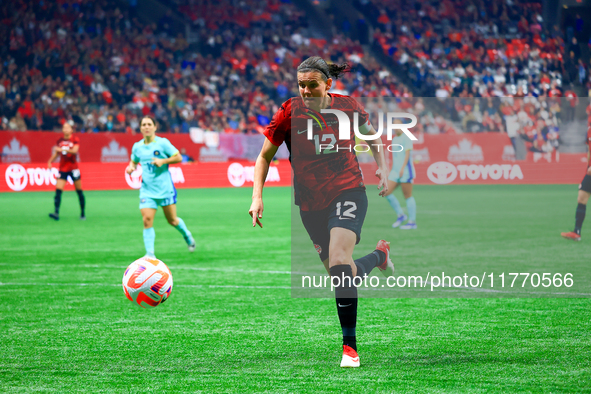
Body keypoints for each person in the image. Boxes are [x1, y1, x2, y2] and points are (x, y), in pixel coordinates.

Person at [249, 56, 395, 368]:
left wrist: (382, 168)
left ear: (328, 84)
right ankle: (378, 257)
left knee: (341, 261)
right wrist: (256, 197)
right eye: (300, 85)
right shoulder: (289, 111)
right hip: (309, 202)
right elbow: (264, 157)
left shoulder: (348, 107)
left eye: (312, 84)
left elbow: (372, 137)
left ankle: (350, 347)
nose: (305, 90)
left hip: (348, 190)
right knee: (342, 274)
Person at [126, 116, 196, 258]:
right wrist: (130, 167)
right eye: (144, 124)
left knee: (172, 220)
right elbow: (133, 161)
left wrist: (163, 161)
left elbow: (178, 157)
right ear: (140, 128)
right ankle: (150, 254)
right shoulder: (137, 147)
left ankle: (187, 235)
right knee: (147, 220)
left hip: (165, 189)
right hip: (147, 190)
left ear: (154, 127)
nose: (146, 127)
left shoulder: (162, 143)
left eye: (149, 124)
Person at [47, 122, 85, 220]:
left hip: (73, 168)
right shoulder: (60, 140)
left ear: (71, 130)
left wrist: (63, 148)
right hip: (63, 168)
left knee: (79, 191)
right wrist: (50, 162)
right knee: (58, 190)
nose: (66, 129)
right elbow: (56, 153)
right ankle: (56, 213)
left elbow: (75, 151)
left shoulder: (75, 139)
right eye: (64, 127)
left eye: (68, 127)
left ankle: (82, 213)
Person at [385, 123, 417, 229]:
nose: (395, 128)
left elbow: (407, 154)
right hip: (395, 171)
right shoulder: (394, 139)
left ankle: (412, 222)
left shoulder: (406, 138)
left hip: (406, 170)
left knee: (407, 195)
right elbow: (396, 157)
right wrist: (392, 170)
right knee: (386, 191)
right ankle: (401, 215)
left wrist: (402, 168)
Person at [561, 125, 591, 241]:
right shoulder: (589, 130)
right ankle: (577, 232)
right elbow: (589, 152)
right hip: (589, 172)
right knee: (581, 198)